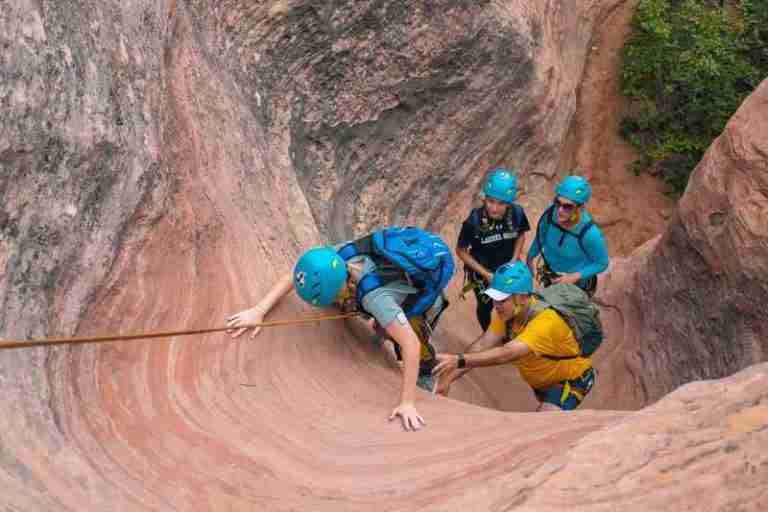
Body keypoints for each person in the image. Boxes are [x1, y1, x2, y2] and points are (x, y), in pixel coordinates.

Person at [226, 227, 454, 431]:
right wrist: (258, 311)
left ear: (341, 288)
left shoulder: (375, 298)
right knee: (380, 320)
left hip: (425, 286)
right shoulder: (334, 259)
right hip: (398, 263)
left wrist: (407, 403)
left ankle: (427, 375)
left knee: (402, 335)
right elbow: (296, 275)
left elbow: (410, 345)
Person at [432, 261, 598, 411]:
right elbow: (483, 344)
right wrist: (449, 376)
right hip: (542, 383)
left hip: (572, 379)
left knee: (543, 422)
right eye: (494, 299)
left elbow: (509, 352)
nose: (496, 305)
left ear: (523, 297)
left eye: (502, 299)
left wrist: (458, 360)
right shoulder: (506, 313)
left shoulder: (546, 322)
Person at [456, 168, 530, 331]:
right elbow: (461, 250)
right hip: (483, 272)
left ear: (509, 202)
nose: (494, 208)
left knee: (514, 301)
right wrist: (486, 274)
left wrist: (513, 260)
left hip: (508, 269)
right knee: (486, 306)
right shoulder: (473, 221)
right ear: (485, 198)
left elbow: (520, 235)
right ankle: (488, 334)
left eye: (501, 203)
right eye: (490, 201)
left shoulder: (517, 214)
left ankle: (512, 329)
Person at [526, 175, 609, 296]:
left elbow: (602, 263)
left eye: (567, 206)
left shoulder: (589, 234)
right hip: (551, 275)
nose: (559, 210)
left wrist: (574, 276)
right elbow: (541, 236)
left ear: (580, 208)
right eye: (557, 202)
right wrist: (530, 257)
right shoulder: (550, 215)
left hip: (577, 285)